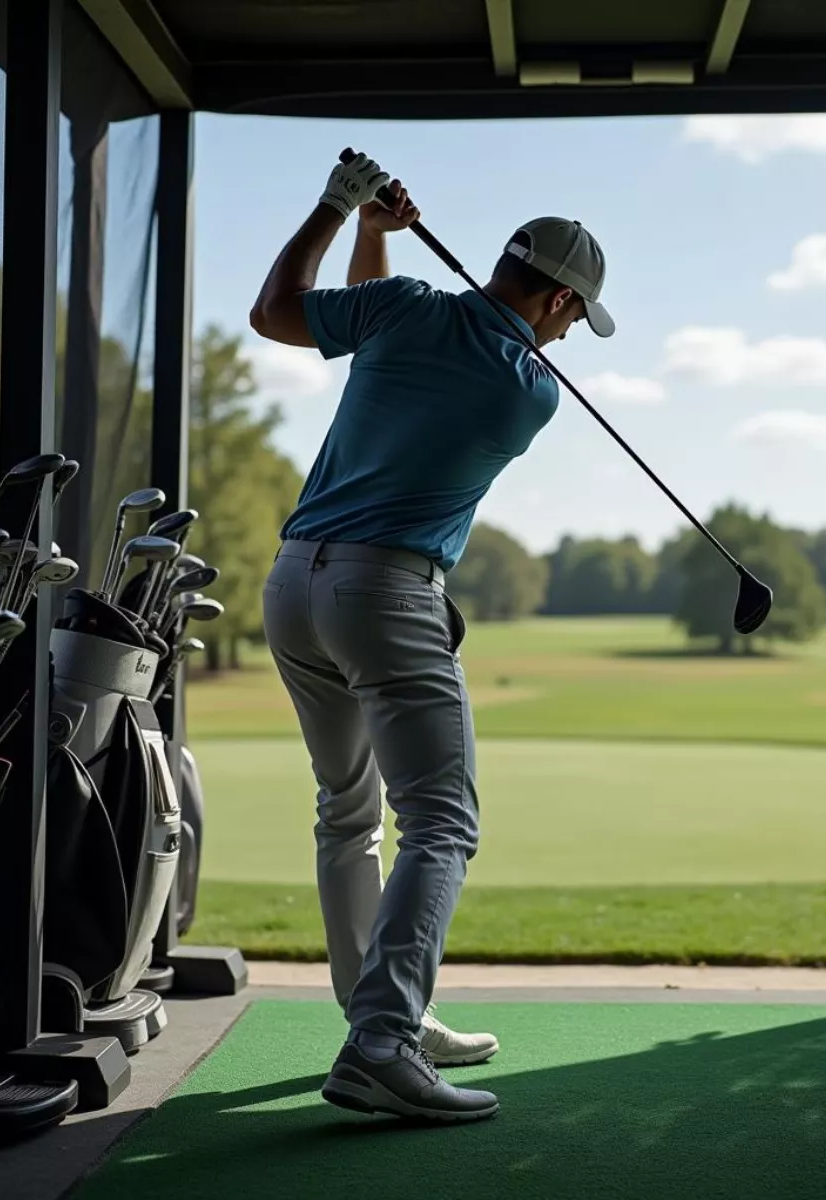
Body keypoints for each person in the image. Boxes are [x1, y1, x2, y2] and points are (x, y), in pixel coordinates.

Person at [248, 150, 615, 1122]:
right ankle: (382, 1038)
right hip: (385, 588)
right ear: (555, 305)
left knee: (346, 810)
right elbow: (377, 331)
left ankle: (380, 1012)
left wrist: (348, 216)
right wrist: (371, 228)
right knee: (442, 821)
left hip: (294, 582)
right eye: (576, 318)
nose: (571, 336)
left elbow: (285, 313)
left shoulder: (406, 308)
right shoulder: (529, 390)